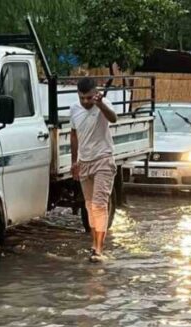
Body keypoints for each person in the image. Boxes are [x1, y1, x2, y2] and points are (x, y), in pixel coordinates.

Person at [70, 77, 118, 263]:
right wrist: (75, 162)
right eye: (82, 98)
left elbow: (113, 118)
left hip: (103, 160)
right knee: (89, 206)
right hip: (84, 162)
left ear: (96, 94)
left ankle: (99, 249)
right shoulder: (74, 109)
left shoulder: (104, 104)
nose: (85, 101)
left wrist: (100, 105)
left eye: (89, 98)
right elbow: (74, 135)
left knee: (99, 204)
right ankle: (93, 244)